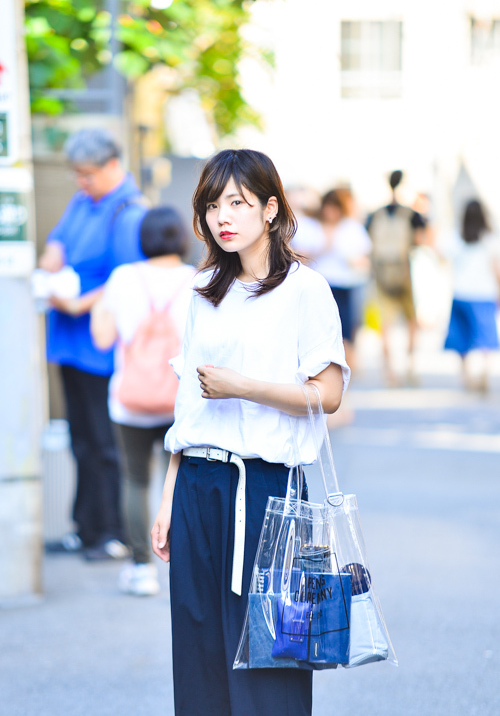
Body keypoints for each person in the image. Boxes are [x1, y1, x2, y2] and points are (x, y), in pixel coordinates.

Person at [150, 149, 350, 716]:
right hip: (196, 484)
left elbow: (328, 394)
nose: (222, 217)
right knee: (199, 651)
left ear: (270, 208)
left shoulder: (305, 290)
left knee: (271, 657)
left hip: (267, 493)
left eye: (236, 202)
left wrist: (245, 386)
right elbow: (187, 400)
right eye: (212, 205)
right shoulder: (204, 287)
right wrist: (168, 494)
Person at [39, 128, 147, 559]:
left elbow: (126, 280)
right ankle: (84, 527)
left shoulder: (128, 210)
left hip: (98, 343)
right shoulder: (84, 201)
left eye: (87, 174)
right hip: (69, 339)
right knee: (80, 438)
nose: (80, 182)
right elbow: (59, 241)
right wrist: (51, 258)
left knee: (105, 443)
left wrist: (79, 302)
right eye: (76, 174)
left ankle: (111, 532)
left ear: (112, 166)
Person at [90, 207, 196, 595]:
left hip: (130, 401)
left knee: (135, 480)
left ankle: (140, 570)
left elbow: (102, 339)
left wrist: (103, 305)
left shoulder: (123, 279)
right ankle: (186, 570)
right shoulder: (199, 279)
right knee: (184, 484)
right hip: (181, 401)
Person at [366, 170, 429, 385]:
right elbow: (420, 240)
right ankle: (410, 365)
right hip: (404, 271)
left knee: (386, 323)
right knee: (411, 320)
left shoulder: (375, 214)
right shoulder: (410, 214)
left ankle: (389, 372)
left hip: (382, 272)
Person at [442, 199, 500, 391]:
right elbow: (496, 269)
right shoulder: (489, 239)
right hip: (483, 294)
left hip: (461, 293)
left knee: (462, 337)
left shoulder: (457, 237)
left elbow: (443, 258)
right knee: (485, 336)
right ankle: (484, 371)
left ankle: (465, 374)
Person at [314, 188, 371, 373]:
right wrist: (323, 247)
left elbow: (364, 259)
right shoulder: (313, 226)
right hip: (320, 284)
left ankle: (348, 370)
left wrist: (350, 258)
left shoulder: (352, 228)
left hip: (345, 285)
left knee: (346, 330)